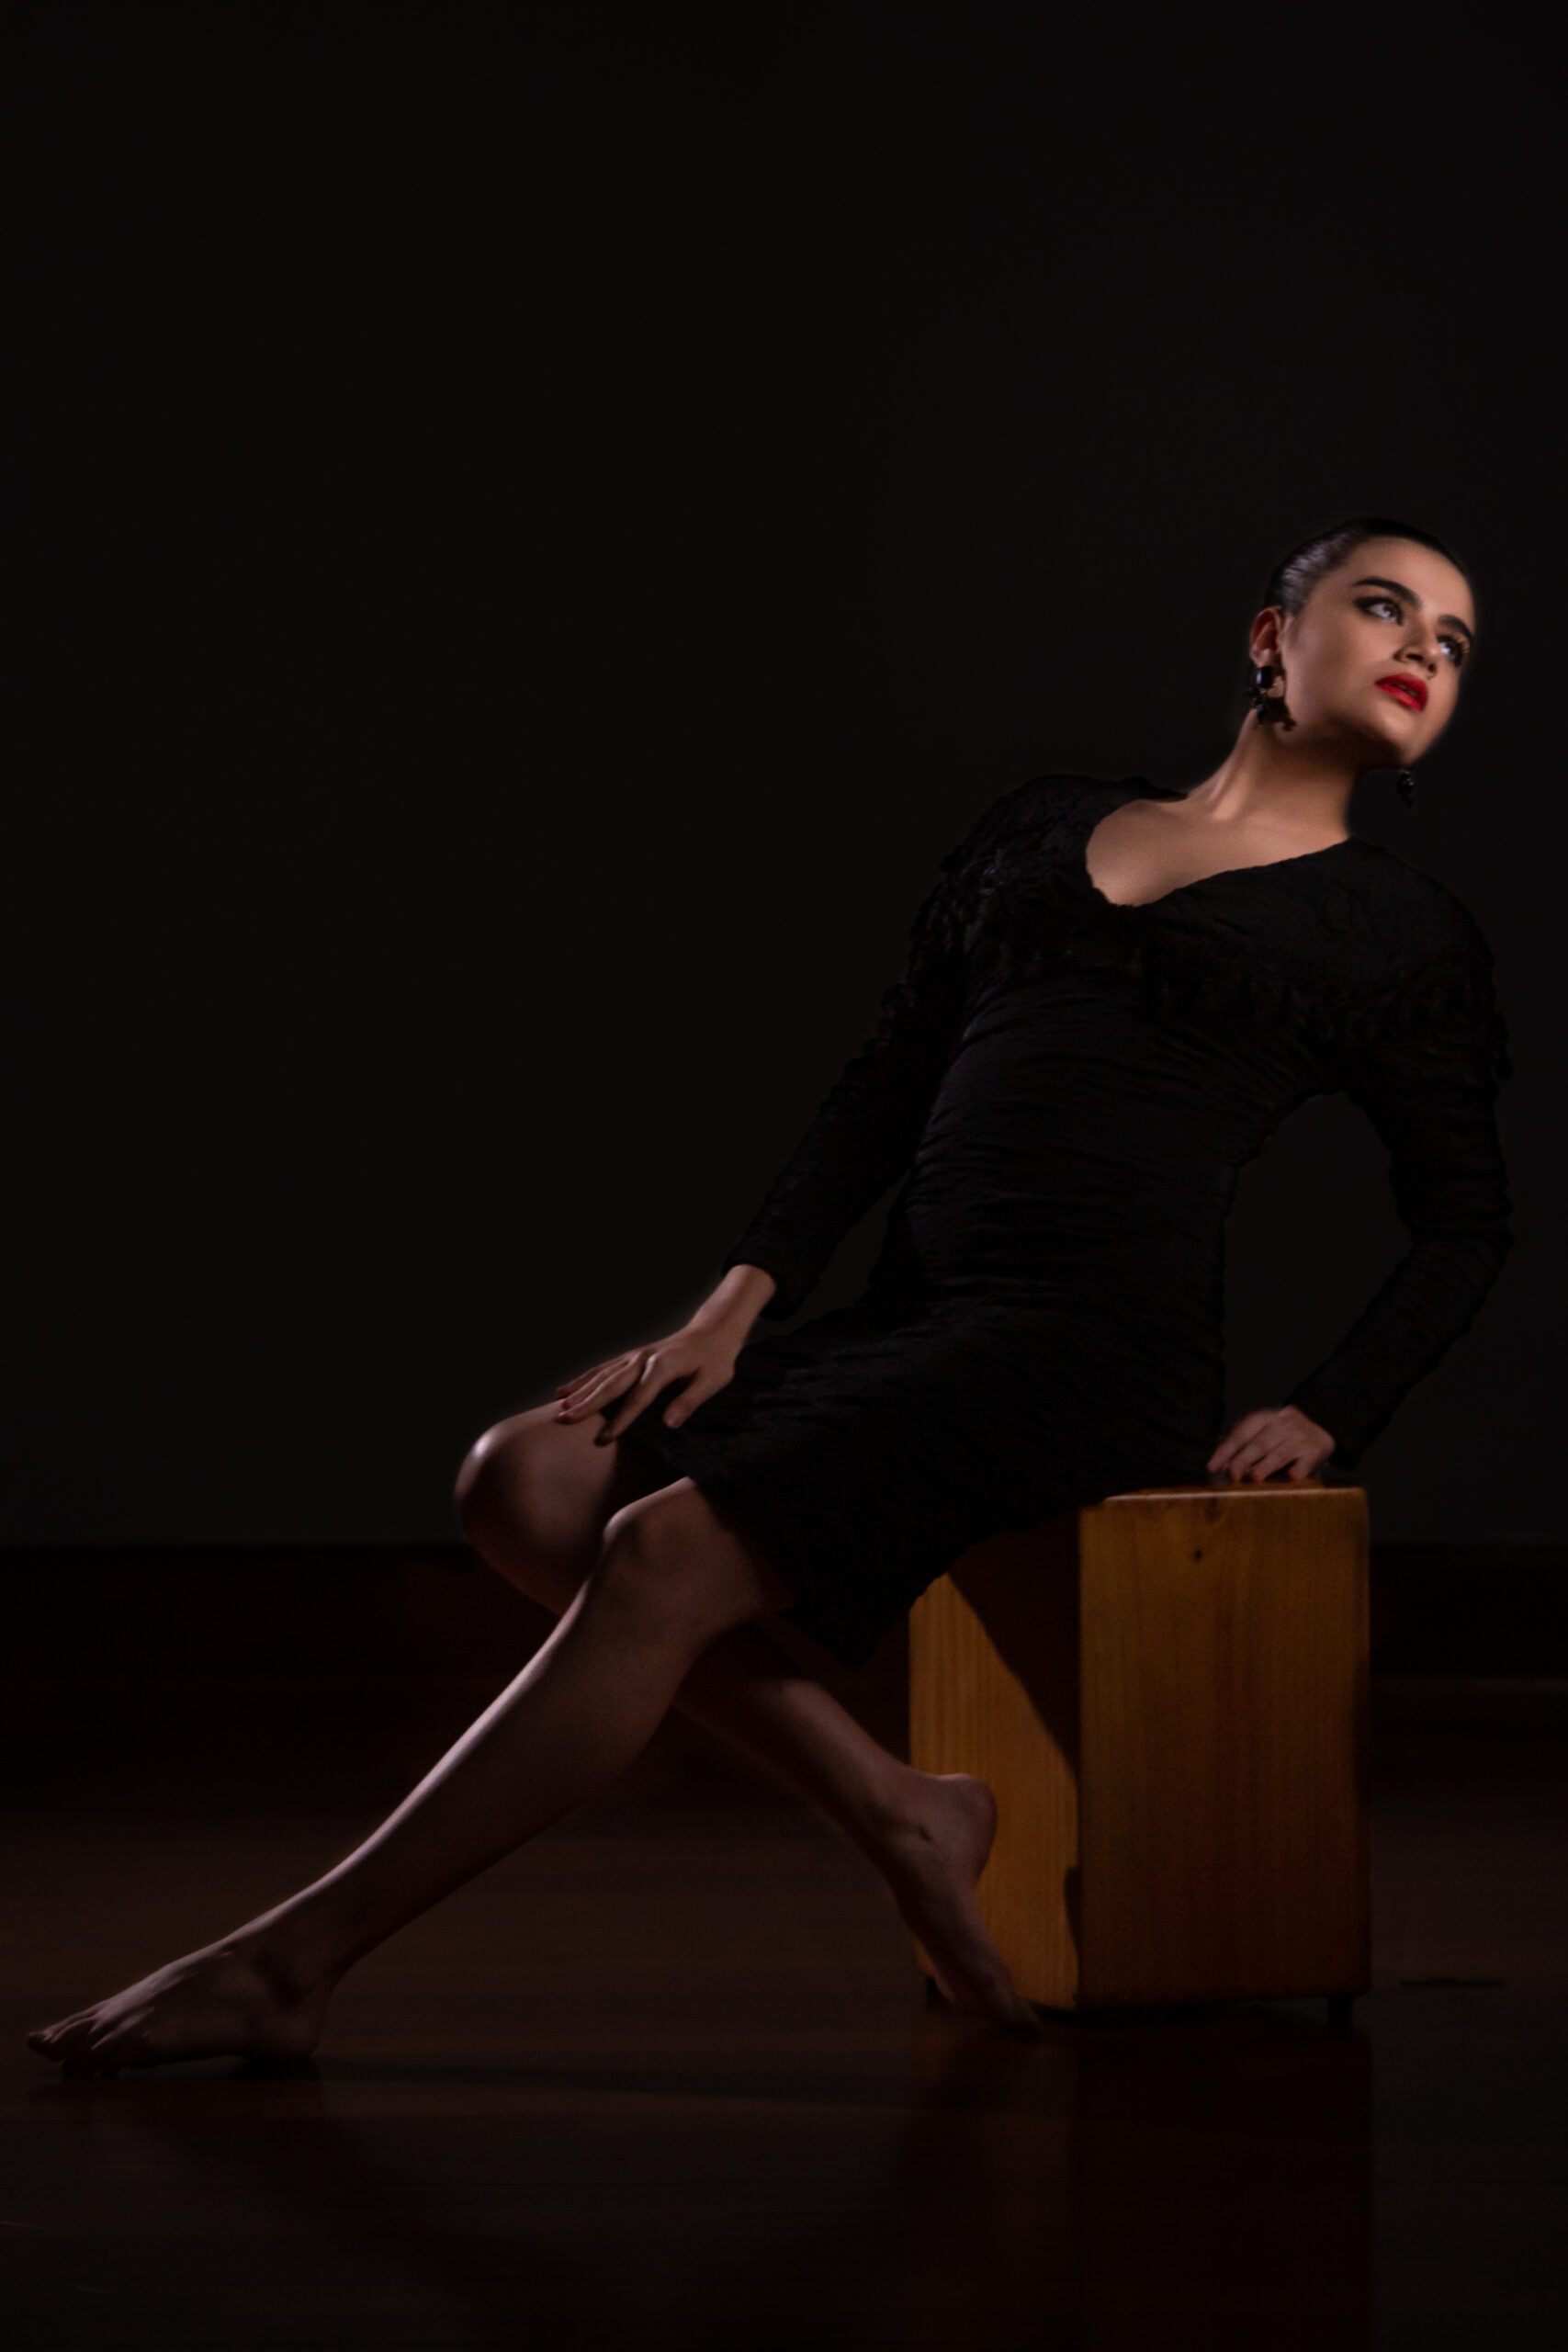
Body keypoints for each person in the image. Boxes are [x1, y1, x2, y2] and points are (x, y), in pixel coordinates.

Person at [29, 518, 1512, 2067]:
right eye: (1386, 606)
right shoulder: (1046, 826)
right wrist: (734, 1306)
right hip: (921, 1316)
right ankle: (902, 1807)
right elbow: (886, 1087)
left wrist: (1330, 1408)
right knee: (525, 1479)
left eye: (1455, 643)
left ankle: (288, 1965)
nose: (1424, 647)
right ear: (1272, 640)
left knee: (659, 1554)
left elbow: (1466, 1225)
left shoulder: (1396, 931)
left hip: (1086, 1356)